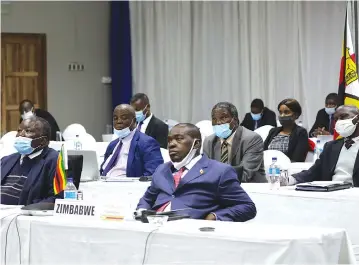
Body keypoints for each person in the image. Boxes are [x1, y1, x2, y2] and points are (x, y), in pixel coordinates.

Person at [136, 123, 256, 222]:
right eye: (169, 140)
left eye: (179, 139)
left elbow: (247, 207)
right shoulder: (162, 169)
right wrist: (142, 211)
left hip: (190, 232)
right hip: (154, 227)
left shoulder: (219, 171)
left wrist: (215, 216)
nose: (171, 144)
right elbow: (147, 199)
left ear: (196, 144)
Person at [286, 105, 359, 186]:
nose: (339, 122)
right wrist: (289, 179)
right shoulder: (331, 146)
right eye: (336, 119)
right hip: (332, 192)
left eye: (343, 116)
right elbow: (314, 172)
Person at [1, 117, 60, 205]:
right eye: (19, 131)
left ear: (43, 141)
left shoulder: (54, 161)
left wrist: (27, 210)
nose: (21, 134)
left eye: (28, 131)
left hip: (24, 216)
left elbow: (57, 199)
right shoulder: (6, 160)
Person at [203, 102, 266, 183]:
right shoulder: (209, 141)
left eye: (223, 117)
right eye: (214, 119)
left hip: (249, 190)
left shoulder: (252, 139)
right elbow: (204, 171)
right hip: (218, 190)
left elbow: (244, 175)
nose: (218, 122)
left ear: (235, 120)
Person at [100, 104, 164, 178]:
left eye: (124, 118)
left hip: (128, 186)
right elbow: (102, 169)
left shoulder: (147, 143)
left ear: (134, 121)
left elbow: (153, 173)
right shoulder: (112, 145)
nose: (119, 121)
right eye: (115, 118)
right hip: (104, 183)